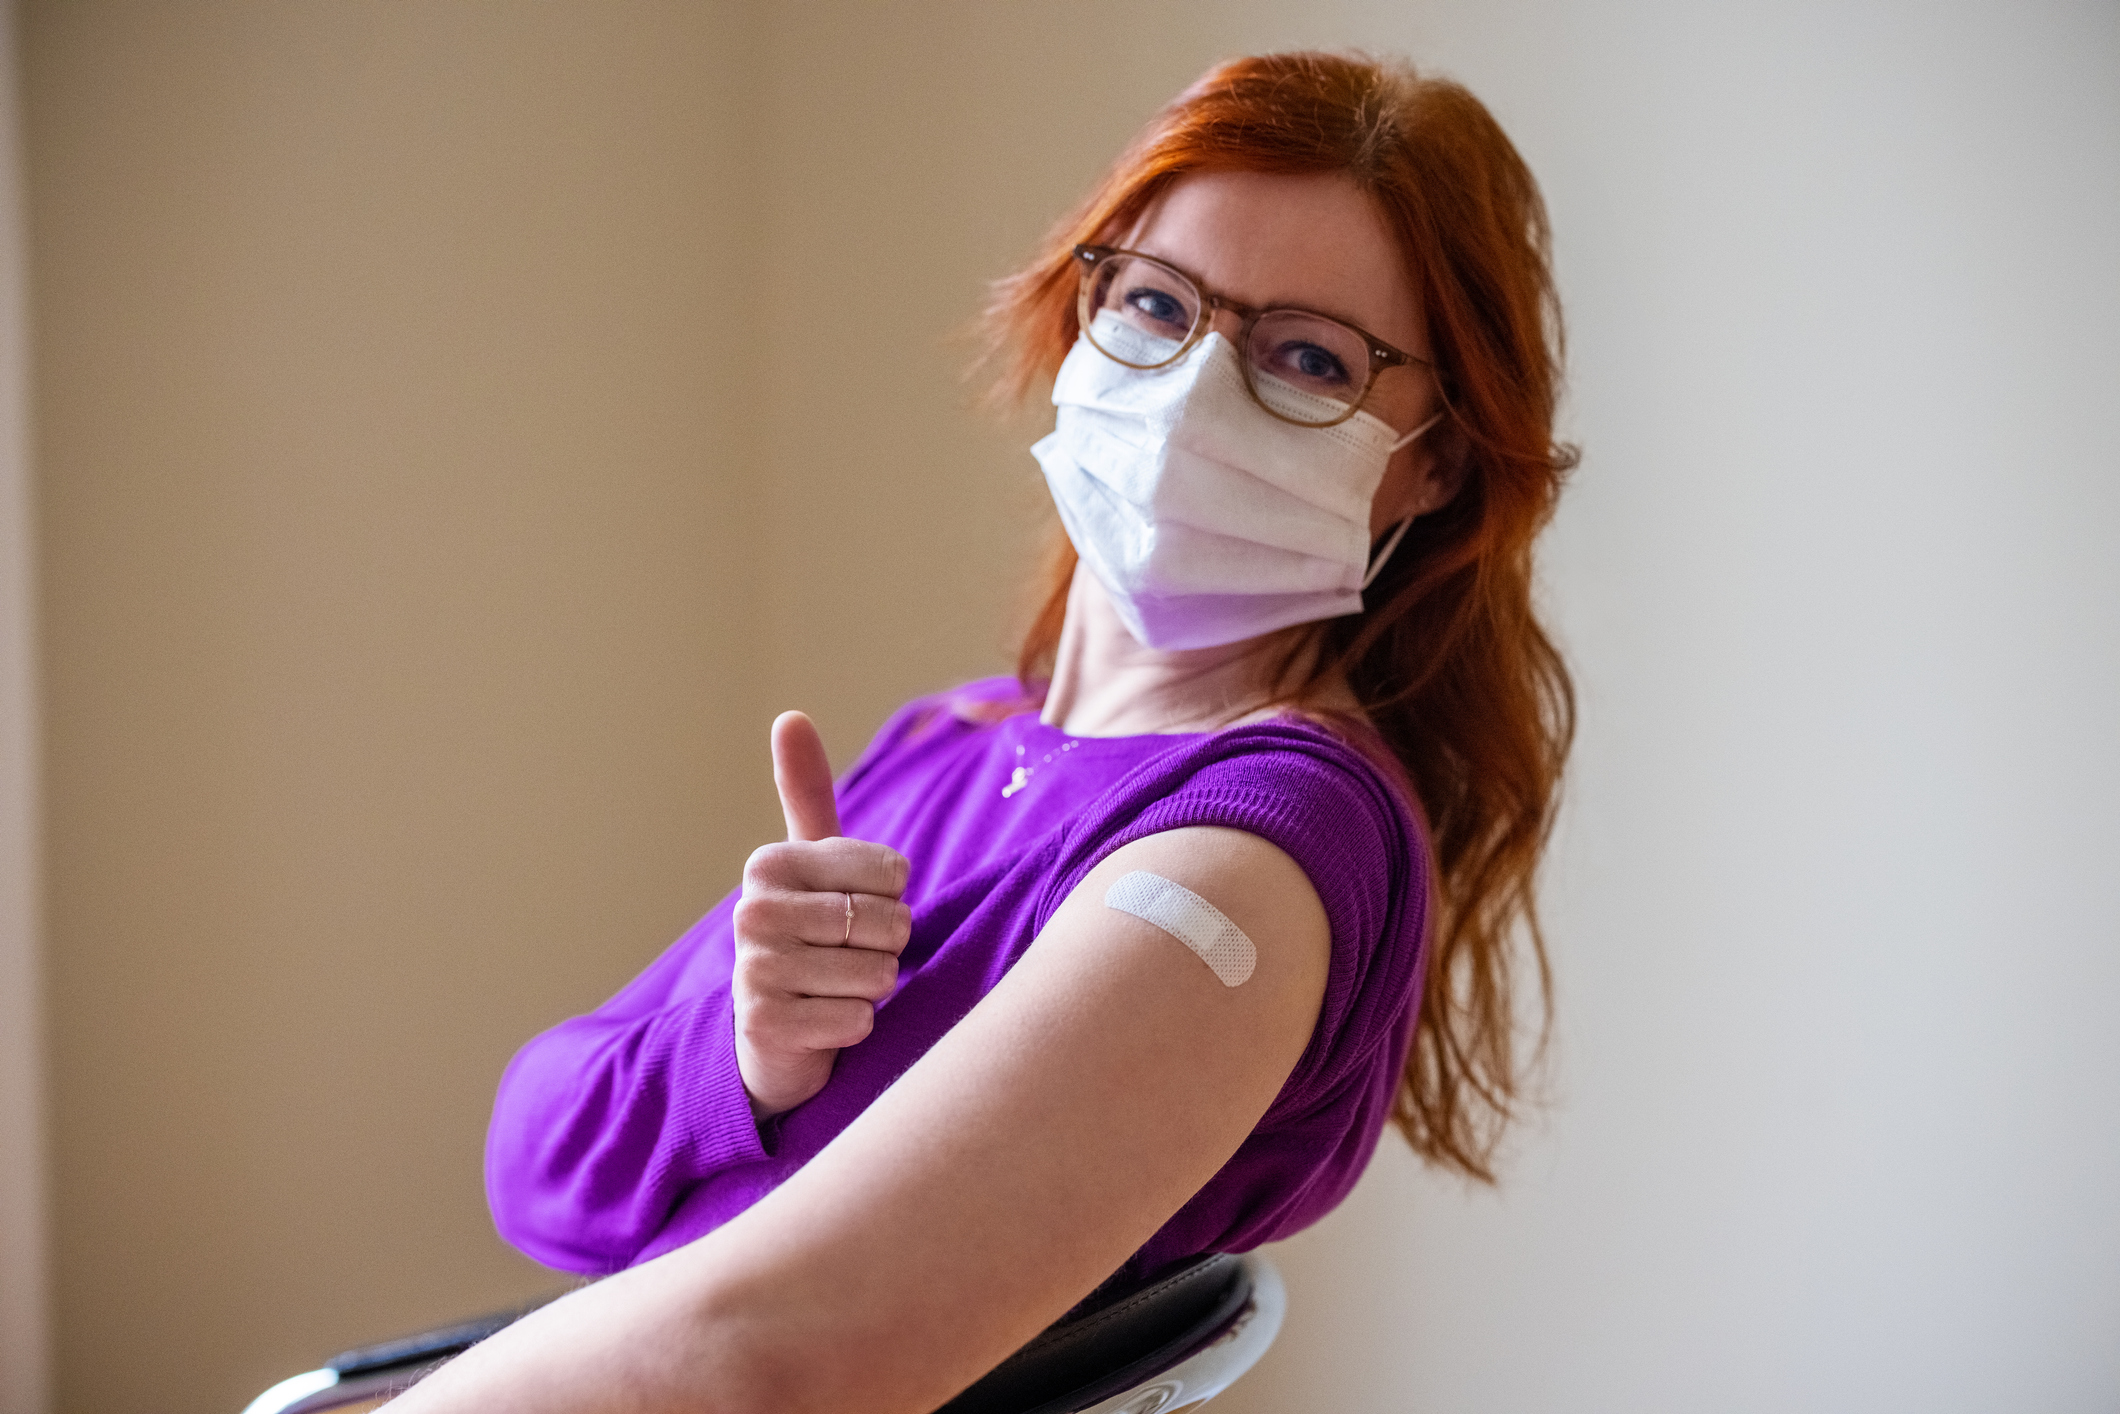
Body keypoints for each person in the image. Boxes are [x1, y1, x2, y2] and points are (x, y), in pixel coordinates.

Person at [391, 49, 1573, 1414]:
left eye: (1308, 358)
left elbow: (765, 1358)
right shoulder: (956, 740)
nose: (1192, 391)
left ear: (1436, 461)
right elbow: (535, 1166)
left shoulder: (1255, 850)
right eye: (1157, 301)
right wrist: (739, 1058)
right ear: (1085, 312)